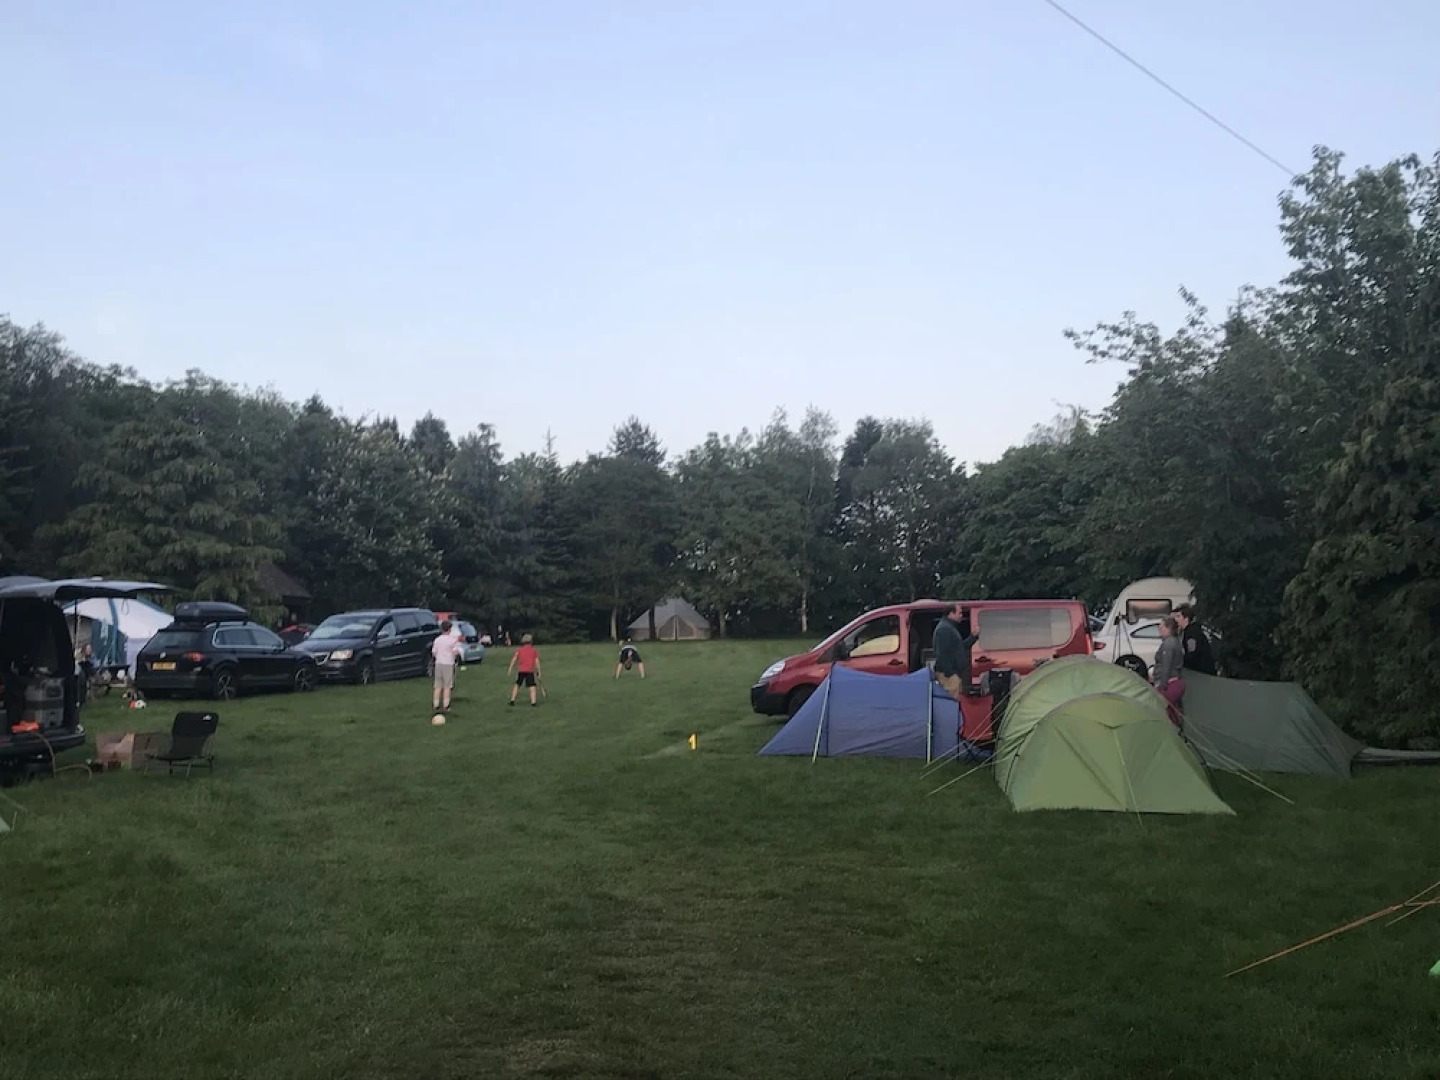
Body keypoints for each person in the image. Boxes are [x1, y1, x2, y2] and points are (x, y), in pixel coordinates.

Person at [932, 603, 979, 699]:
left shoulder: (950, 627)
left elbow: (960, 647)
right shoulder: (944, 629)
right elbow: (942, 653)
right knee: (951, 700)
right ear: (951, 613)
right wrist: (950, 674)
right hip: (949, 675)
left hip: (953, 673)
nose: (961, 616)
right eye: (959, 613)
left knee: (954, 699)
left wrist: (973, 637)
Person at [1152, 616, 1186, 727]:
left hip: (1170, 682)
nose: (1159, 629)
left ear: (1168, 628)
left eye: (1161, 626)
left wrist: (1162, 686)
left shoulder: (1169, 644)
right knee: (1172, 712)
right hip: (1175, 681)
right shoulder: (1174, 642)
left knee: (1162, 709)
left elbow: (1166, 666)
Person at [431, 620, 465, 713]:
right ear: (449, 629)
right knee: (447, 686)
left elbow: (434, 653)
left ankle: (436, 705)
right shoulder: (452, 640)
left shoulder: (437, 640)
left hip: (438, 664)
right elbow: (455, 651)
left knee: (437, 686)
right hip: (448, 664)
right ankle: (446, 705)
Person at [1174, 604, 1217, 676]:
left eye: (1178, 616)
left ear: (1186, 618)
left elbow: (1192, 654)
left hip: (1202, 673)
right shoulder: (1189, 631)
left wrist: (1180, 661)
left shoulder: (1191, 634)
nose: (1176, 619)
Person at [508, 633, 541, 707]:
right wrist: (539, 671)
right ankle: (533, 702)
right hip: (529, 671)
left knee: (517, 684)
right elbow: (537, 661)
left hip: (521, 670)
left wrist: (510, 668)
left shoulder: (520, 650)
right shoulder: (533, 650)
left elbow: (514, 659)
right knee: (532, 686)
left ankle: (512, 700)